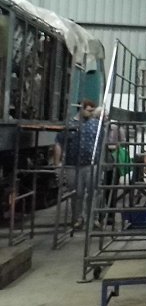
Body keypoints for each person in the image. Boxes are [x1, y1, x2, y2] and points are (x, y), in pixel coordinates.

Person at [53, 99, 101, 231]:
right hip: (73, 165)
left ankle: (93, 219)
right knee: (76, 193)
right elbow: (59, 142)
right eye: (89, 110)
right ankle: (77, 219)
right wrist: (57, 164)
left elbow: (103, 142)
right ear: (81, 108)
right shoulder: (69, 124)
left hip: (92, 164)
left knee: (93, 192)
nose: (91, 113)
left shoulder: (96, 124)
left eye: (92, 111)